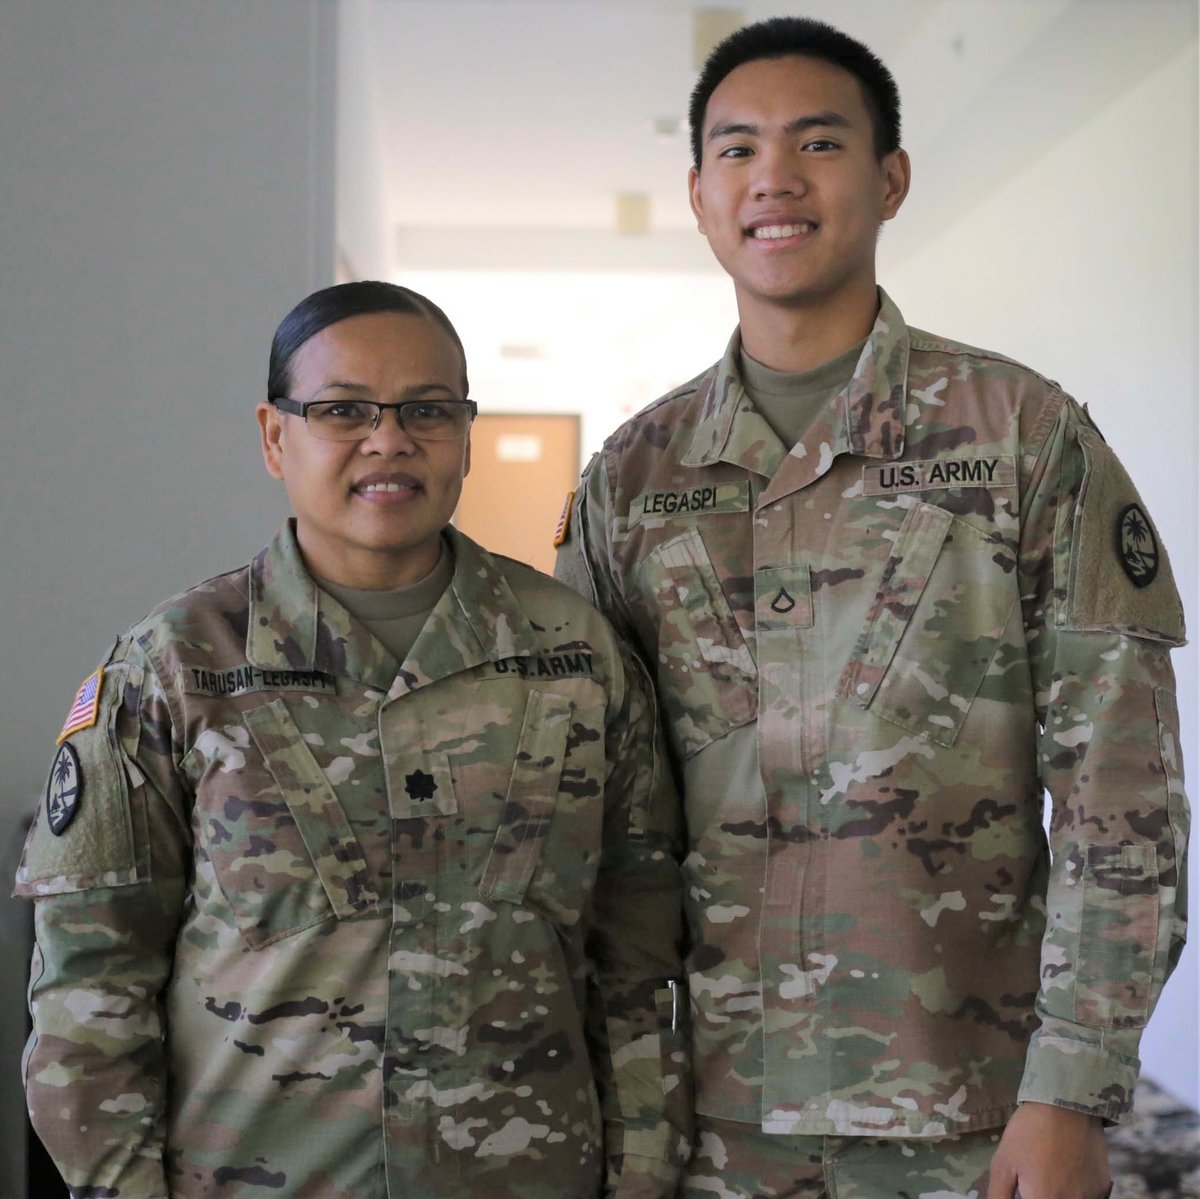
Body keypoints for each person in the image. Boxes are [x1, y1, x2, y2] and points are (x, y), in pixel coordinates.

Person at [554, 16, 1188, 1199]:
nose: (775, 180)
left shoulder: (1022, 437)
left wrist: (1073, 1091)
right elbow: (589, 813)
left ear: (891, 179)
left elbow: (1122, 795)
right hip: (705, 1119)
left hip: (968, 1109)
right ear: (699, 195)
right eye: (737, 150)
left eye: (818, 143)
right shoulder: (633, 480)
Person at [16, 281, 690, 1199]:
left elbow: (639, 957)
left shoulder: (575, 655)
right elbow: (91, 983)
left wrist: (643, 1174)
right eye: (343, 410)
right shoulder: (176, 665)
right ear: (274, 435)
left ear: (466, 434)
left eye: (427, 409)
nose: (389, 439)